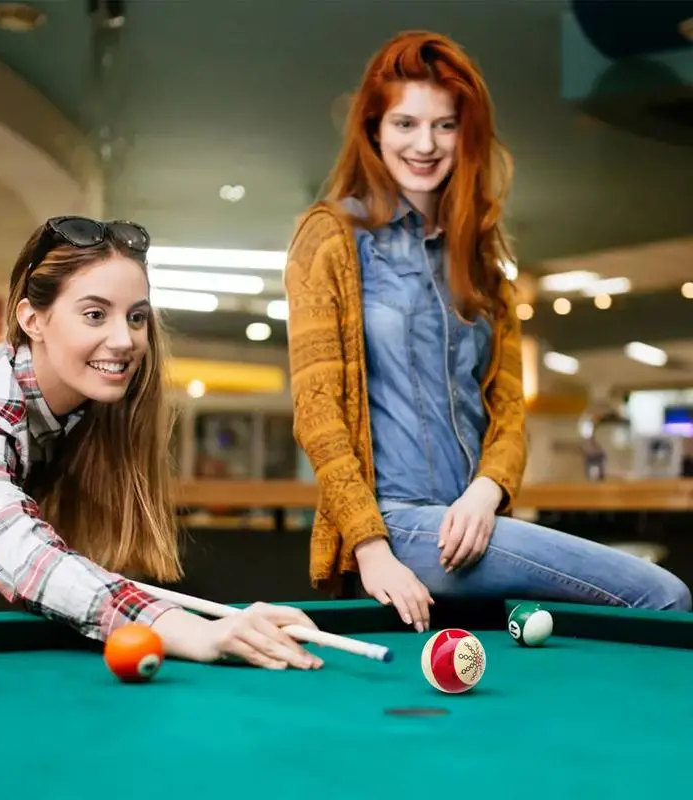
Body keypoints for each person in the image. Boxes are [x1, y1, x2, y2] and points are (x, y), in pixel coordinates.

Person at [284, 30, 691, 632]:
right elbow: (318, 412)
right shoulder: (330, 238)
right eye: (405, 124)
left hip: (474, 521)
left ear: (465, 135)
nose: (425, 144)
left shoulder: (480, 259)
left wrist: (487, 492)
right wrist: (370, 547)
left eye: (444, 126)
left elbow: (508, 415)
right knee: (662, 595)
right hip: (396, 525)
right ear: (373, 129)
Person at [0, 215, 323, 671]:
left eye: (136, 317)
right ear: (32, 319)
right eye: (95, 314)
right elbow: (24, 558)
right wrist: (197, 630)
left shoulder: (79, 412)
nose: (125, 340)